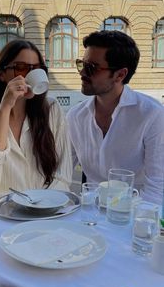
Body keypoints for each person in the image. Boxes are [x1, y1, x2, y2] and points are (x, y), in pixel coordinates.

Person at [0, 40, 72, 243]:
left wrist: (42, 207)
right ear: (2, 74)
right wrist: (6, 105)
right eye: (21, 67)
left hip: (43, 207)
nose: (29, 74)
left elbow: (63, 175)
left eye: (37, 68)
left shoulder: (52, 111)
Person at [67, 30, 164, 204]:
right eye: (82, 64)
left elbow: (157, 186)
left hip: (133, 215)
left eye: (92, 68)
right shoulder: (76, 116)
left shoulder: (152, 115)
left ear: (120, 74)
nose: (82, 73)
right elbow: (63, 171)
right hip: (89, 217)